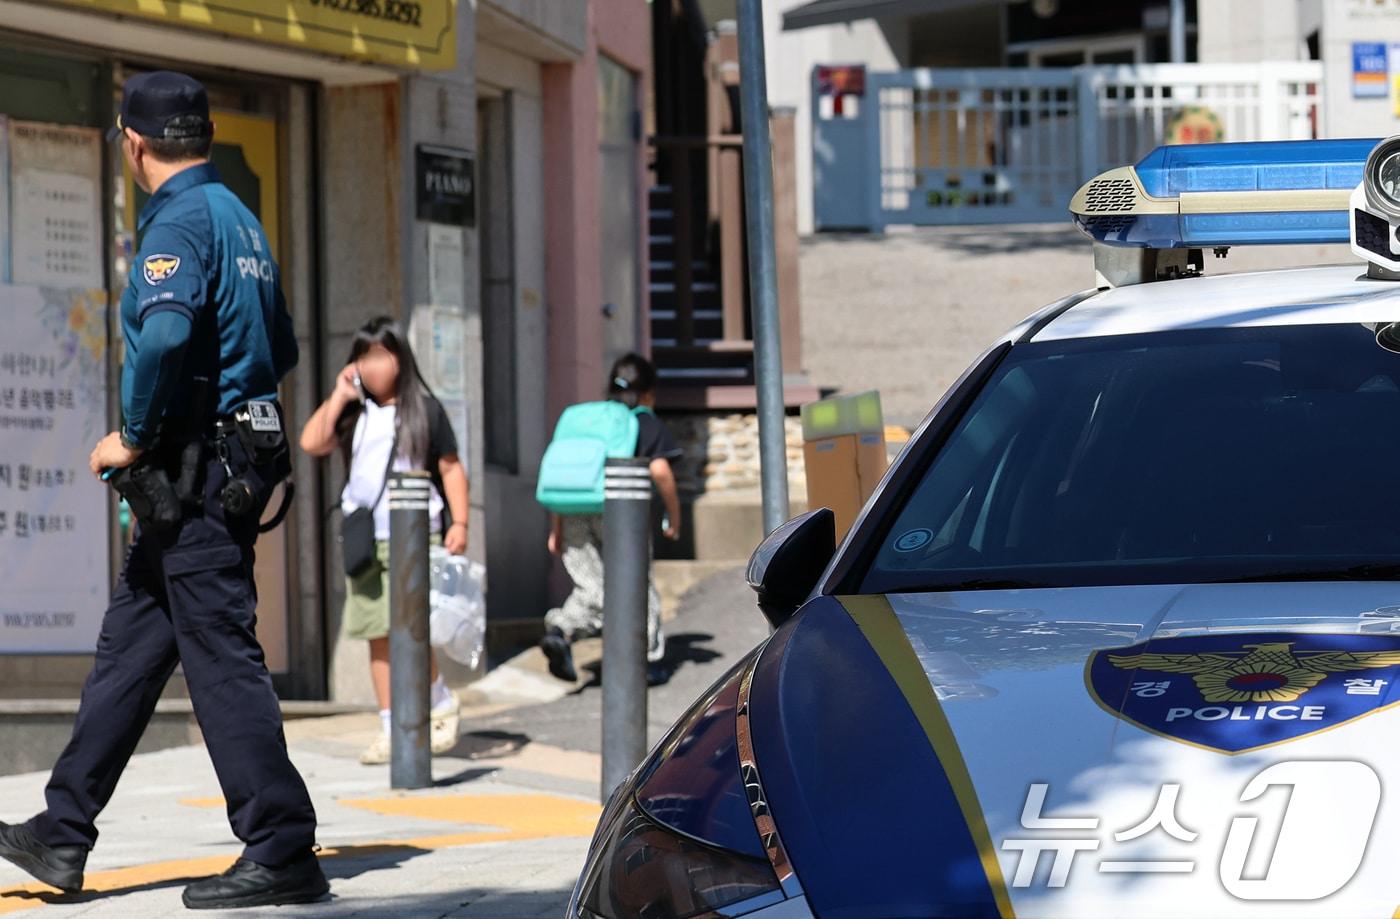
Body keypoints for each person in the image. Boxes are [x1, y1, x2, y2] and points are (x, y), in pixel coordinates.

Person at [0, 72, 326, 909]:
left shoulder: (177, 223)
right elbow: (284, 346)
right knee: (132, 649)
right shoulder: (240, 217)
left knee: (220, 656)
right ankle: (62, 829)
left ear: (134, 145)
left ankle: (282, 843)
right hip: (220, 470)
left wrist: (136, 434)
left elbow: (168, 334)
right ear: (205, 137)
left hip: (194, 474)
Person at [299, 316, 468, 765]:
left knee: (412, 629)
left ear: (400, 358)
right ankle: (391, 726)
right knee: (376, 633)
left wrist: (461, 523)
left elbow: (450, 468)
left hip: (415, 536)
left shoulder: (424, 410)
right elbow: (311, 442)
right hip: (366, 540)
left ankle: (438, 701)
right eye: (364, 357)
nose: (372, 366)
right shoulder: (355, 413)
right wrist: (340, 395)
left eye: (380, 355)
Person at [540, 353, 683, 686]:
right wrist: (674, 516)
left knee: (591, 584)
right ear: (649, 394)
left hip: (572, 511)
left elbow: (570, 478)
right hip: (620, 515)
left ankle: (562, 629)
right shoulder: (643, 421)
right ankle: (646, 659)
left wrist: (556, 527)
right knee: (634, 581)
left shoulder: (590, 424)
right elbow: (661, 471)